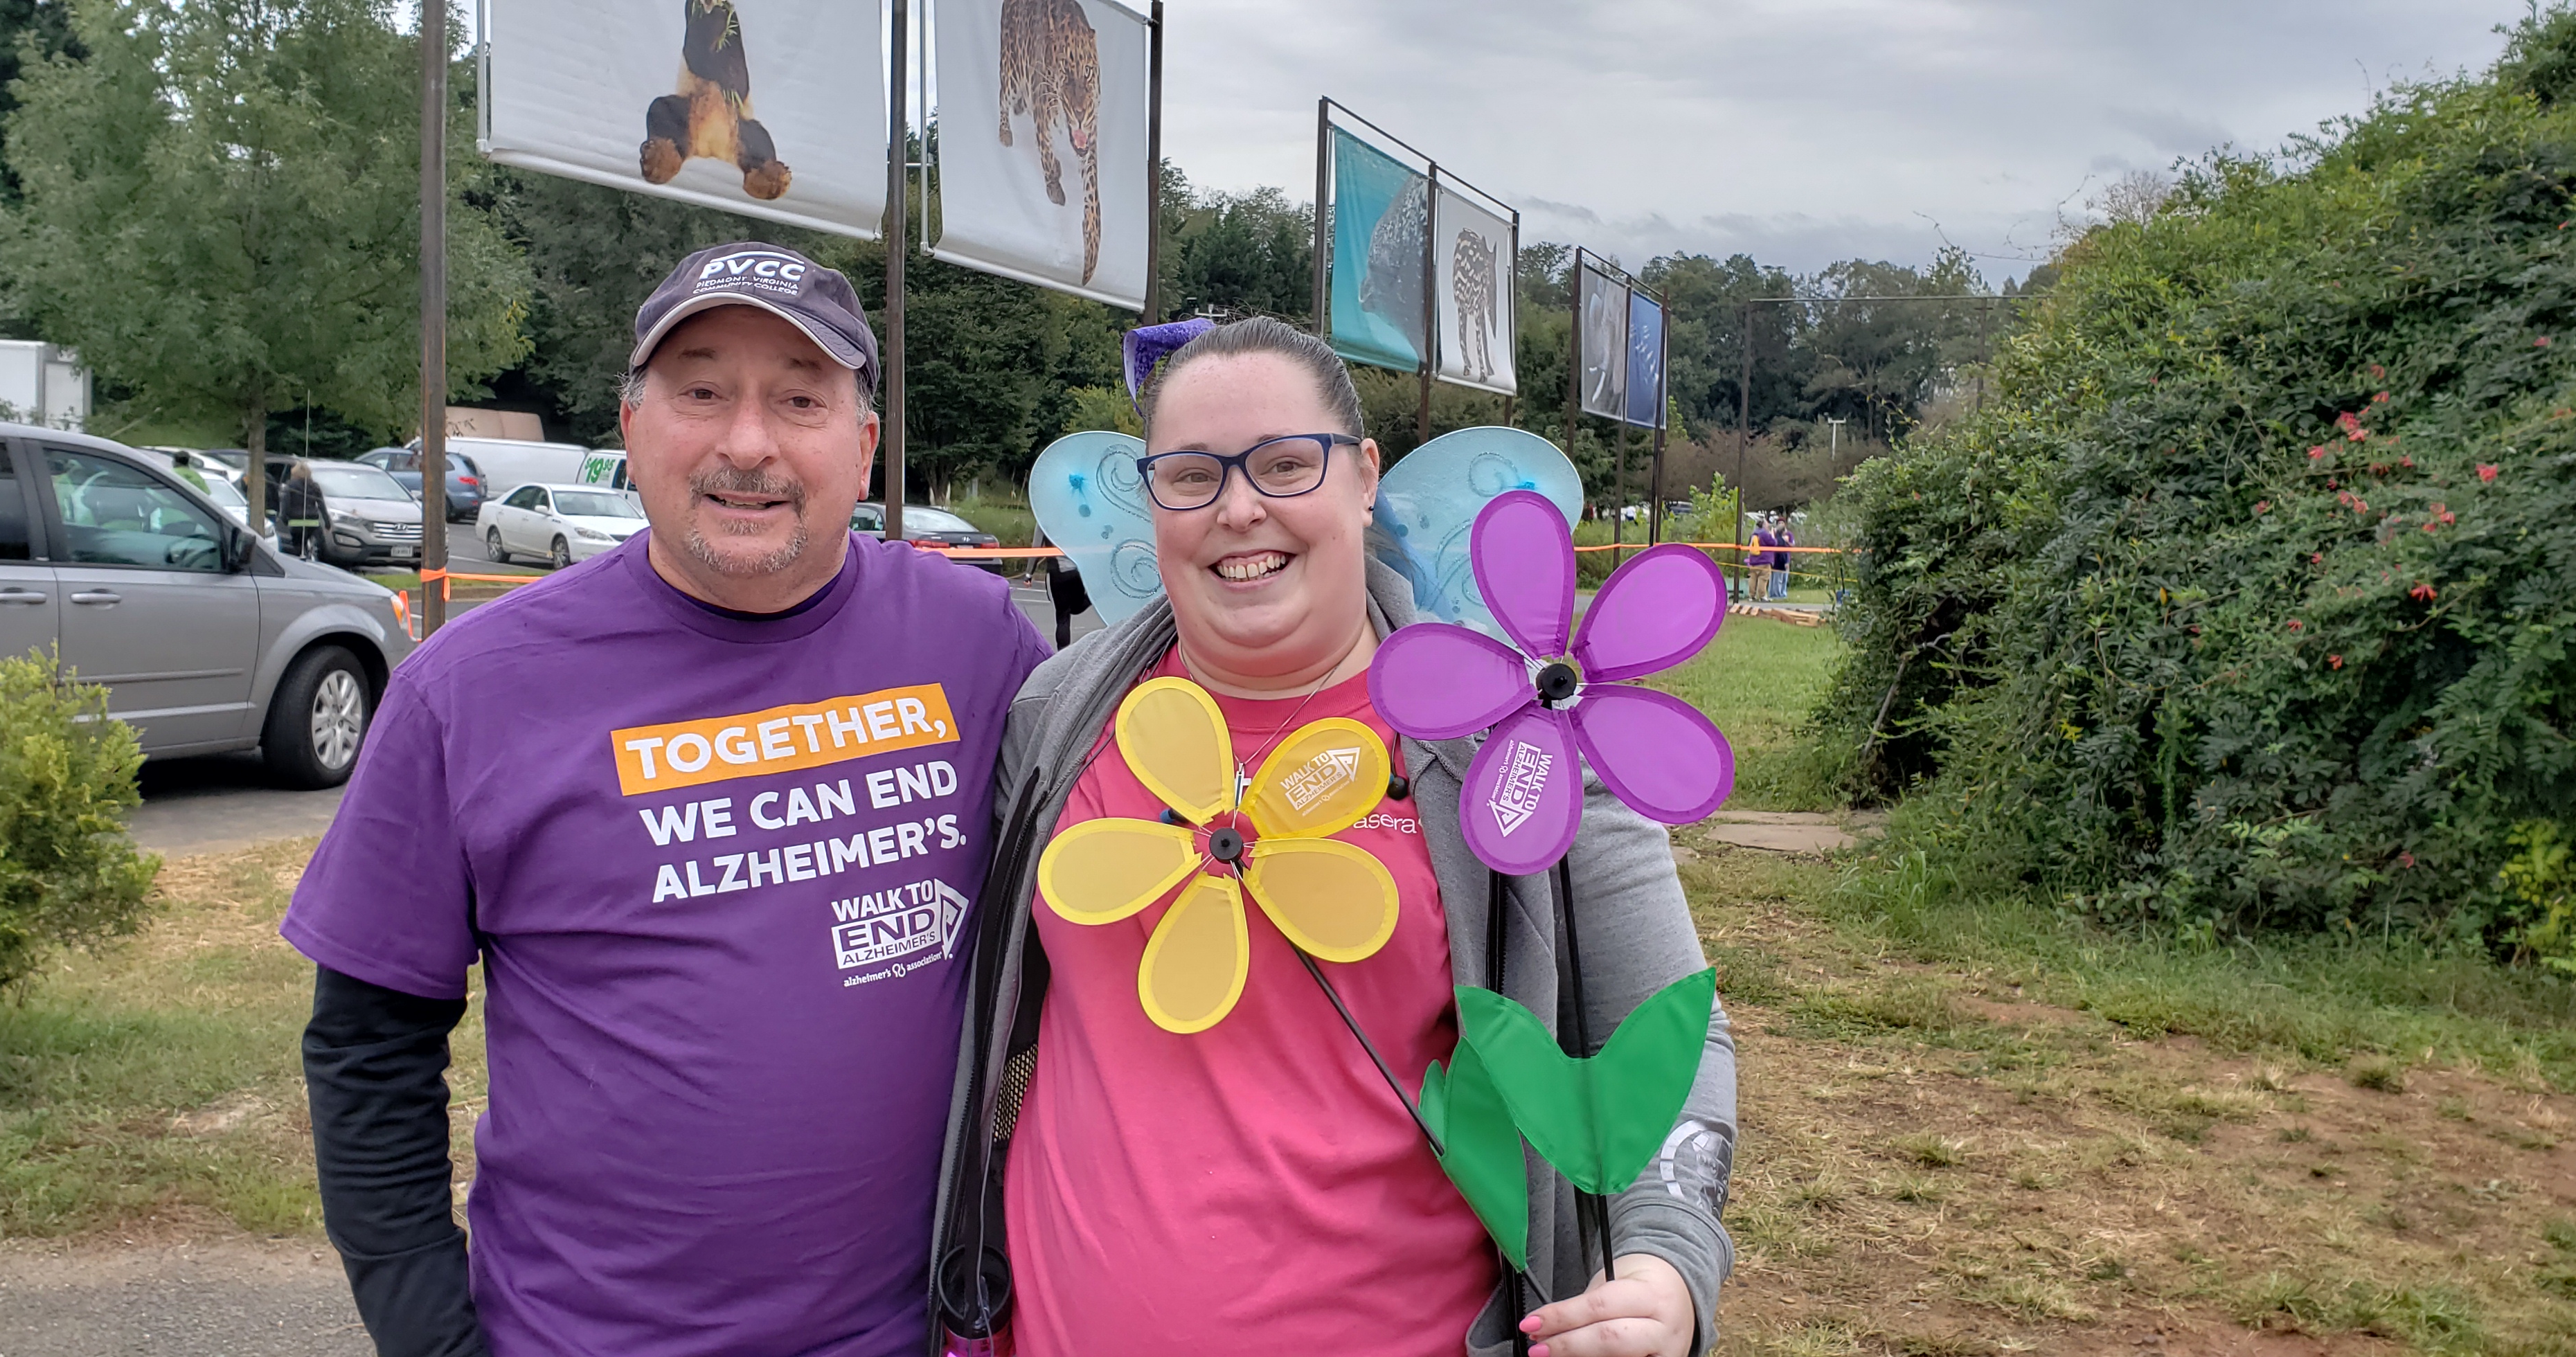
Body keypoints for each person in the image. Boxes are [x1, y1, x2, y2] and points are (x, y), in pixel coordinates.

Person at [283, 242, 1051, 1357]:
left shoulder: (976, 641)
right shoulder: (470, 689)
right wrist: (430, 1334)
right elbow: (368, 1044)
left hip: (922, 1330)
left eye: (800, 399)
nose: (750, 443)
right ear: (632, 428)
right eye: (702, 391)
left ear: (864, 442)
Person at [927, 318, 1735, 1357]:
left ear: (1363, 476)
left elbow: (1667, 1035)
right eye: (1190, 476)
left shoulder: (1513, 735)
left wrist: (1669, 1261)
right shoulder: (1059, 715)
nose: (1238, 508)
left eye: (1283, 465)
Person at [281, 460, 319, 559]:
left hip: (296, 521)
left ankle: (300, 560)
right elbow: (321, 504)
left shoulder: (290, 485)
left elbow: (286, 503)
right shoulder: (315, 486)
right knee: (306, 541)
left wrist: (284, 518)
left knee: (297, 544)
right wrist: (327, 523)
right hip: (313, 522)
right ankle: (308, 554)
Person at [1744, 516, 1776, 603]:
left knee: (1753, 578)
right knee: (1763, 577)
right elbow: (1773, 543)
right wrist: (1772, 534)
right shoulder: (1765, 534)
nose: (1768, 525)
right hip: (1764, 560)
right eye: (1766, 524)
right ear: (1763, 525)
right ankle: (1762, 596)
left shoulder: (1753, 534)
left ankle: (1752, 596)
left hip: (1754, 560)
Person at [1771, 517, 1795, 601]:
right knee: (1776, 577)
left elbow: (1792, 545)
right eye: (1779, 523)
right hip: (1776, 558)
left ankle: (1783, 592)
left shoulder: (1789, 534)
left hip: (1786, 557)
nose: (1781, 524)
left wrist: (1787, 541)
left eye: (1782, 523)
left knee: (1784, 577)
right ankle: (1776, 593)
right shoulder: (1775, 533)